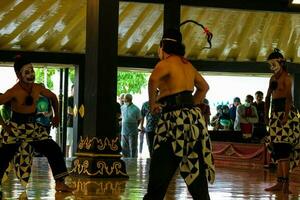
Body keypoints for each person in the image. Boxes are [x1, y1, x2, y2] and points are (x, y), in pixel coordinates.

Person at [144, 28, 215, 200]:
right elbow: (204, 87)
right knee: (194, 167)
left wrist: (153, 103)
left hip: (173, 120)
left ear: (163, 46)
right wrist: (192, 104)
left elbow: (153, 80)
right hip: (193, 121)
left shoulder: (165, 63)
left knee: (160, 167)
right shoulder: (188, 65)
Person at [0, 55, 73, 193]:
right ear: (19, 75)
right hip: (15, 129)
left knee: (54, 149)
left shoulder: (38, 88)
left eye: (32, 70)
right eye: (26, 72)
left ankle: (60, 183)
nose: (31, 74)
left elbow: (53, 97)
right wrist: (5, 126)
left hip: (33, 128)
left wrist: (57, 116)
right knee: (3, 157)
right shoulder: (13, 92)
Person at [264, 49, 300, 194]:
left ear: (281, 63)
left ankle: (285, 184)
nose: (271, 66)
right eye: (270, 64)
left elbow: (288, 99)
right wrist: (266, 115)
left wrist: (285, 116)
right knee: (278, 151)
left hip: (286, 117)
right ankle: (279, 183)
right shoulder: (272, 79)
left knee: (284, 151)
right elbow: (267, 97)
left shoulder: (287, 78)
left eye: (274, 63)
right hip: (275, 116)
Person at [121, 93, 142, 158]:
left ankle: (133, 160)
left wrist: (135, 126)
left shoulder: (136, 108)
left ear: (128, 99)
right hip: (124, 130)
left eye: (124, 98)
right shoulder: (122, 107)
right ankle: (125, 160)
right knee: (124, 147)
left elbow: (139, 119)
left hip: (133, 131)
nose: (123, 99)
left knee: (133, 147)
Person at [66, 84, 74, 158]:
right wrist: (76, 114)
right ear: (71, 90)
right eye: (74, 89)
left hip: (77, 123)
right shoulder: (69, 99)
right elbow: (69, 110)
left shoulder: (79, 98)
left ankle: (72, 156)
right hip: (70, 123)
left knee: (74, 141)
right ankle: (66, 156)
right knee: (68, 141)